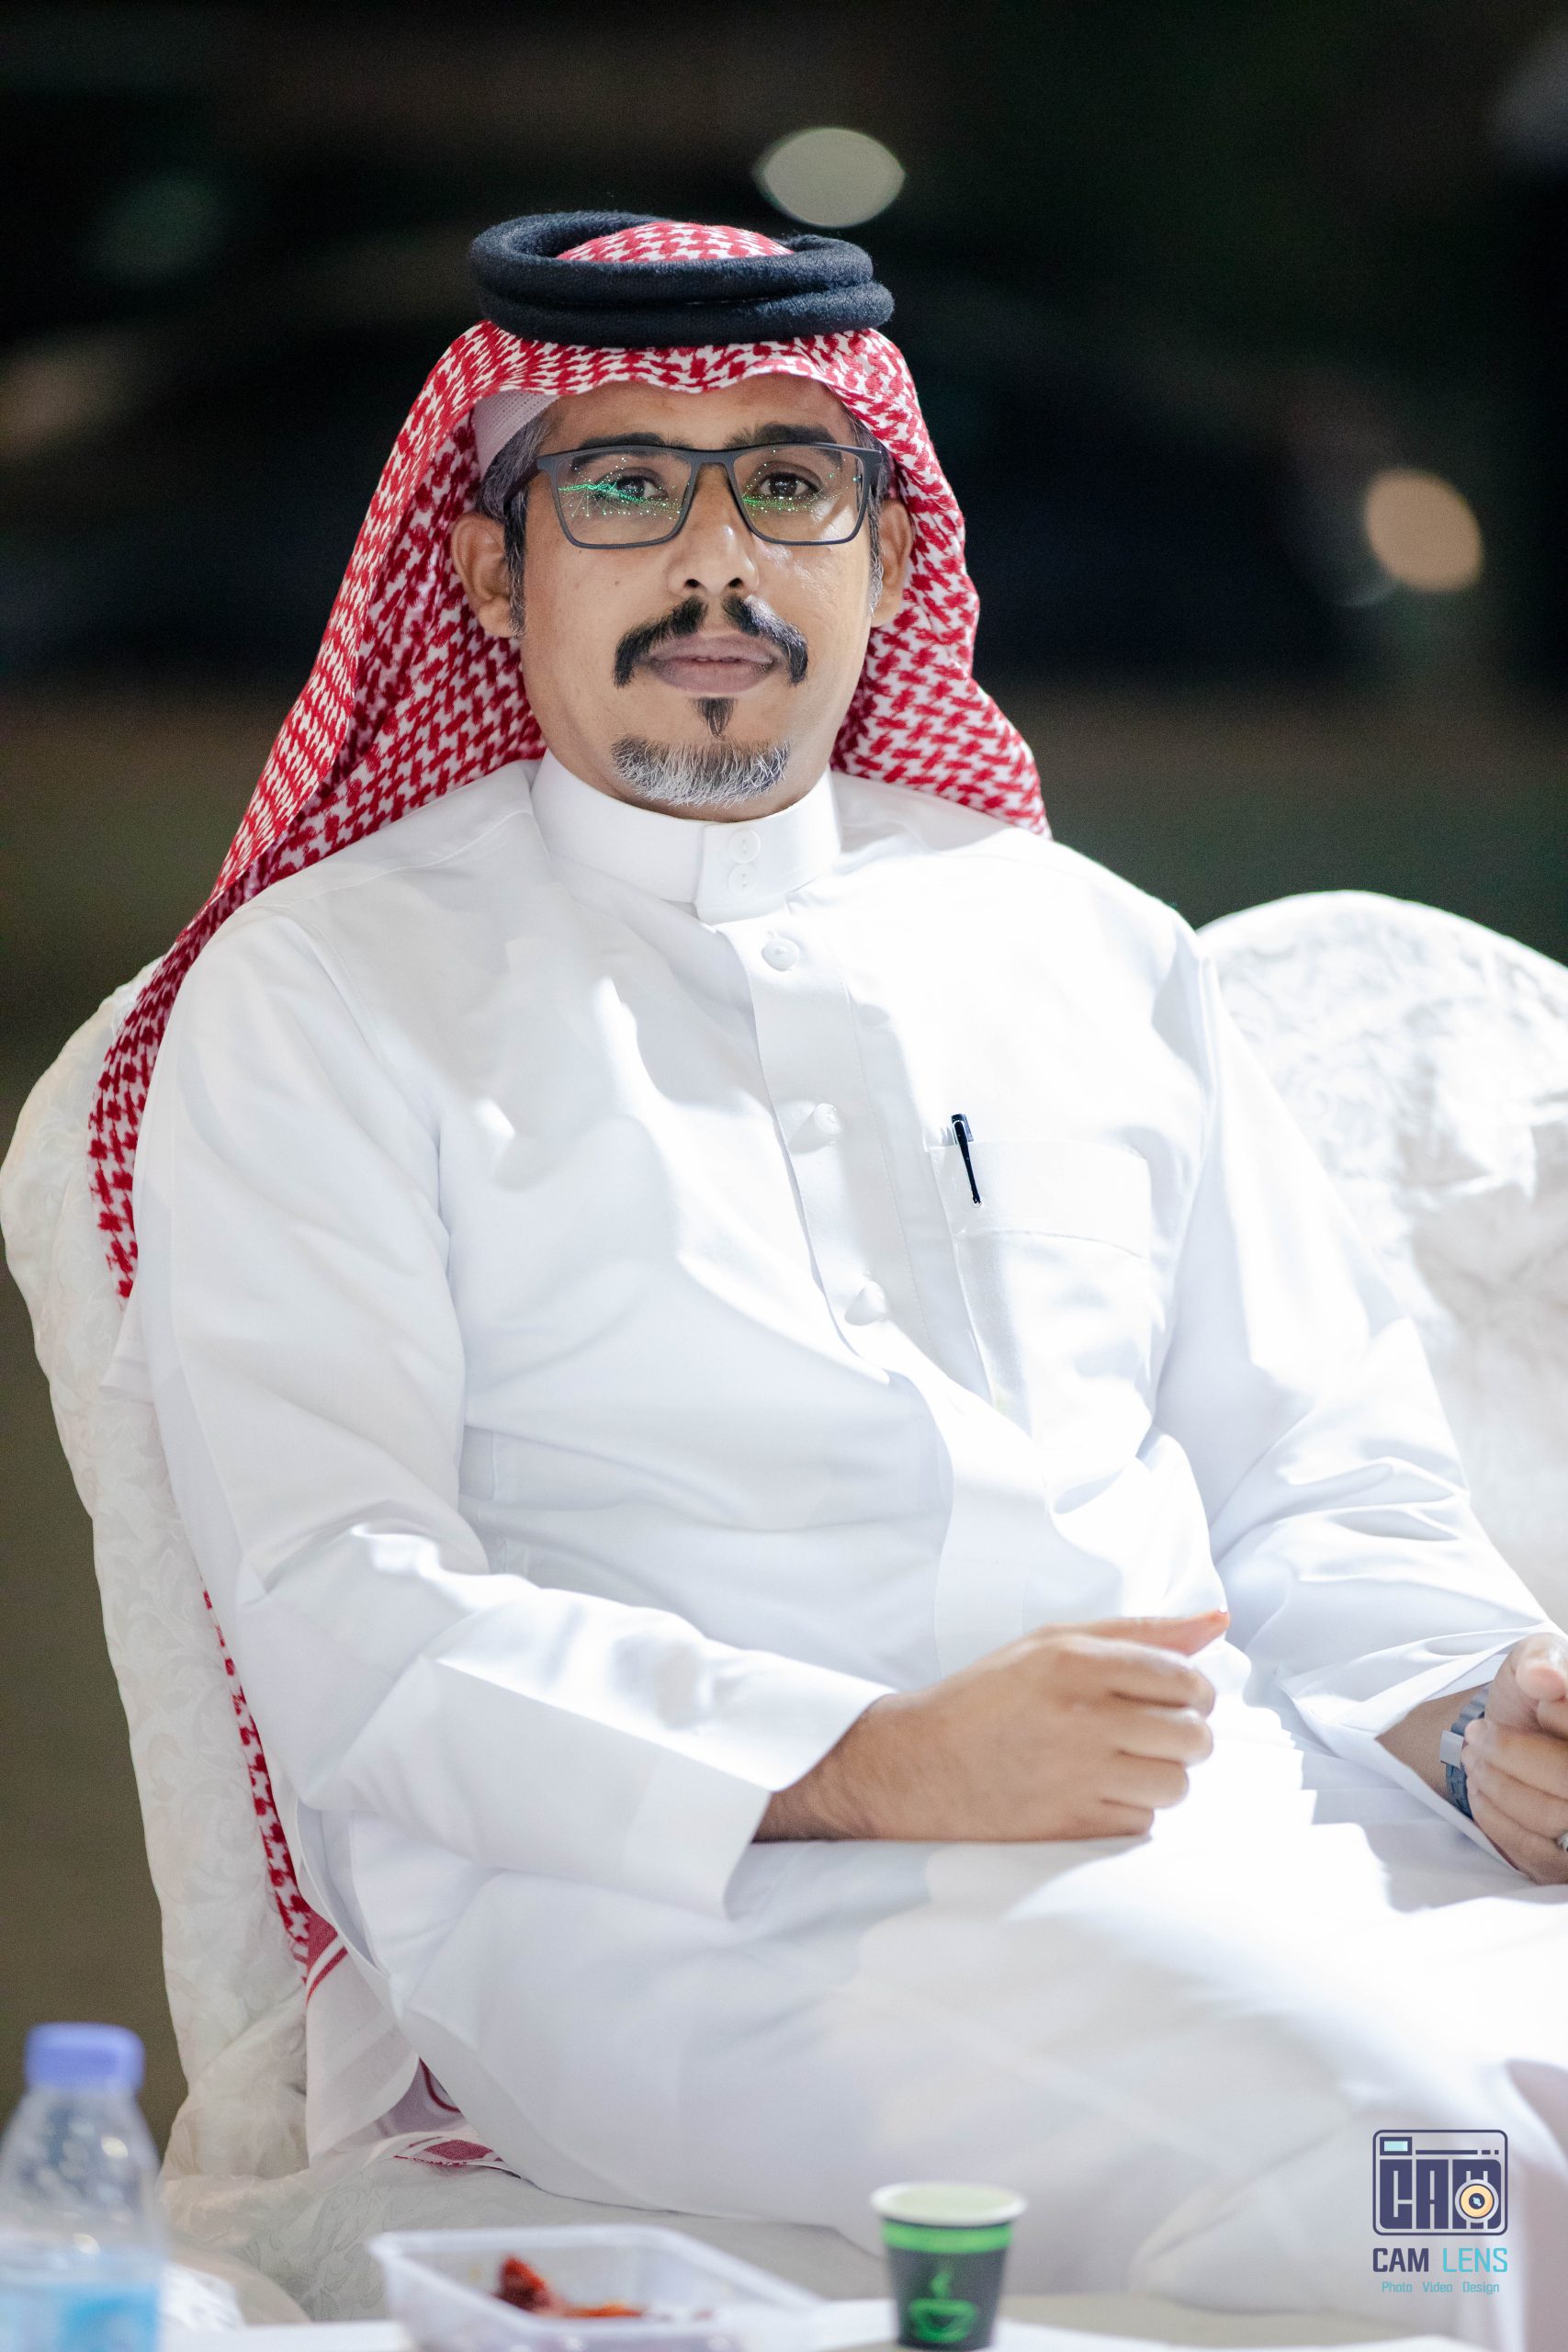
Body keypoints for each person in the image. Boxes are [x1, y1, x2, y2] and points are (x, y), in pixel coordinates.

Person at [99, 215, 1568, 2343]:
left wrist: (1464, 1720)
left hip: (1226, 1819)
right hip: (675, 1902)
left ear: (883, 555)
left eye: (787, 486)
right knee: (1417, 2167)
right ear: (491, 569)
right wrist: (864, 1757)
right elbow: (347, 1600)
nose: (716, 564)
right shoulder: (327, 994)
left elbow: (1313, 1470)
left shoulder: (1079, 944)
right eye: (624, 488)